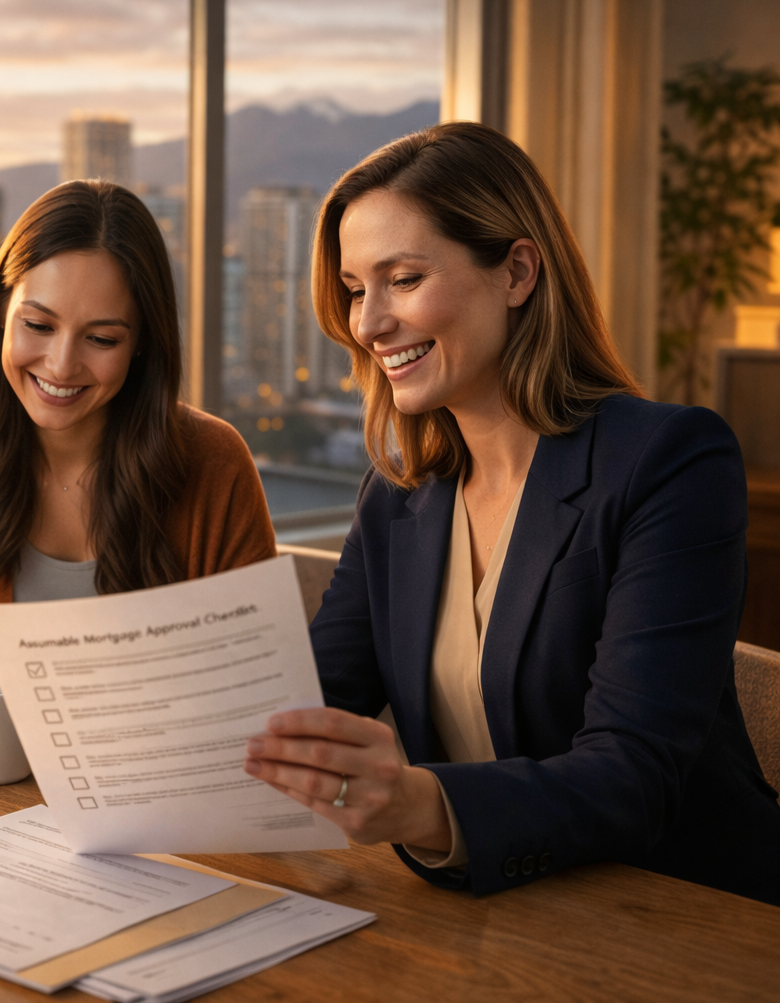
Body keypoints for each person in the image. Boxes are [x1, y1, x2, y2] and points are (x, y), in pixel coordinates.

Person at [241, 121, 780, 905]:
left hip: (690, 918)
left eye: (404, 279)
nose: (368, 323)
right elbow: (312, 702)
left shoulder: (670, 461)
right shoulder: (397, 495)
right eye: (358, 289)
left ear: (518, 271)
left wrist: (424, 803)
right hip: (499, 915)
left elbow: (632, 776)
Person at [0, 180, 276, 718]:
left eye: (102, 339)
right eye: (38, 325)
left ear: (143, 343)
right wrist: (78, 690)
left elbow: (256, 677)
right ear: (1, 311)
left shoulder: (214, 459)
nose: (60, 365)